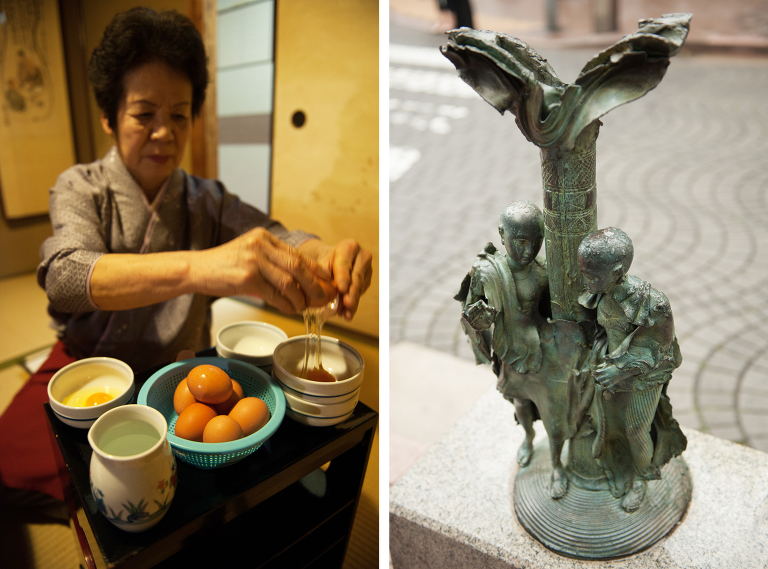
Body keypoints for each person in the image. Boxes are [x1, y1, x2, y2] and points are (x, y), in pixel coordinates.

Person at [0, 7, 372, 502]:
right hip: (94, 370)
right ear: (109, 117)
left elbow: (277, 236)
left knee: (191, 481)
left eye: (179, 114)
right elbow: (64, 277)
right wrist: (203, 268)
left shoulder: (205, 199)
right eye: (144, 114)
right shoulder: (80, 187)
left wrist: (322, 255)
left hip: (184, 375)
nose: (164, 132)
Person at [577, 228, 686, 512]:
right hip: (609, 371)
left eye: (590, 275)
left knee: (636, 430)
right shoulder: (600, 292)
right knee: (610, 426)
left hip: (643, 378)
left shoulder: (653, 305)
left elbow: (659, 348)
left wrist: (621, 370)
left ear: (616, 272)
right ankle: (618, 466)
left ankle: (641, 478)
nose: (584, 280)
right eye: (583, 272)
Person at [456, 201, 549, 469]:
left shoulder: (543, 269)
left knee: (552, 400)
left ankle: (559, 442)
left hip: (544, 346)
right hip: (511, 347)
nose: (529, 250)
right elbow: (471, 309)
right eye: (520, 241)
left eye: (537, 241)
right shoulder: (487, 271)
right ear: (501, 234)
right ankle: (529, 437)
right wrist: (479, 317)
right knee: (521, 400)